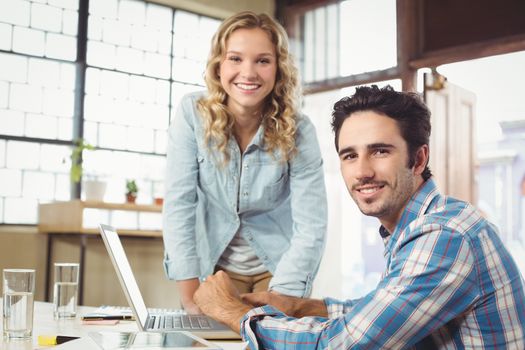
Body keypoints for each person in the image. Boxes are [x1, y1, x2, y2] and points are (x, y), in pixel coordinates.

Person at [193, 85, 525, 348]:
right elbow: (379, 313)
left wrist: (229, 310)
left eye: (380, 151)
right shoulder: (421, 225)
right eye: (350, 155)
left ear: (418, 158)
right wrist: (298, 306)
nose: (362, 171)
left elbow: (344, 345)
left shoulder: (444, 236)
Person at [162, 11, 327, 315]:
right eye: (235, 59)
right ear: (218, 65)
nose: (248, 72)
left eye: (262, 61)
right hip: (214, 271)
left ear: (278, 69)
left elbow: (311, 225)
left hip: (279, 271)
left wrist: (284, 298)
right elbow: (178, 204)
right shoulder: (191, 114)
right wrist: (190, 298)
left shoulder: (300, 130)